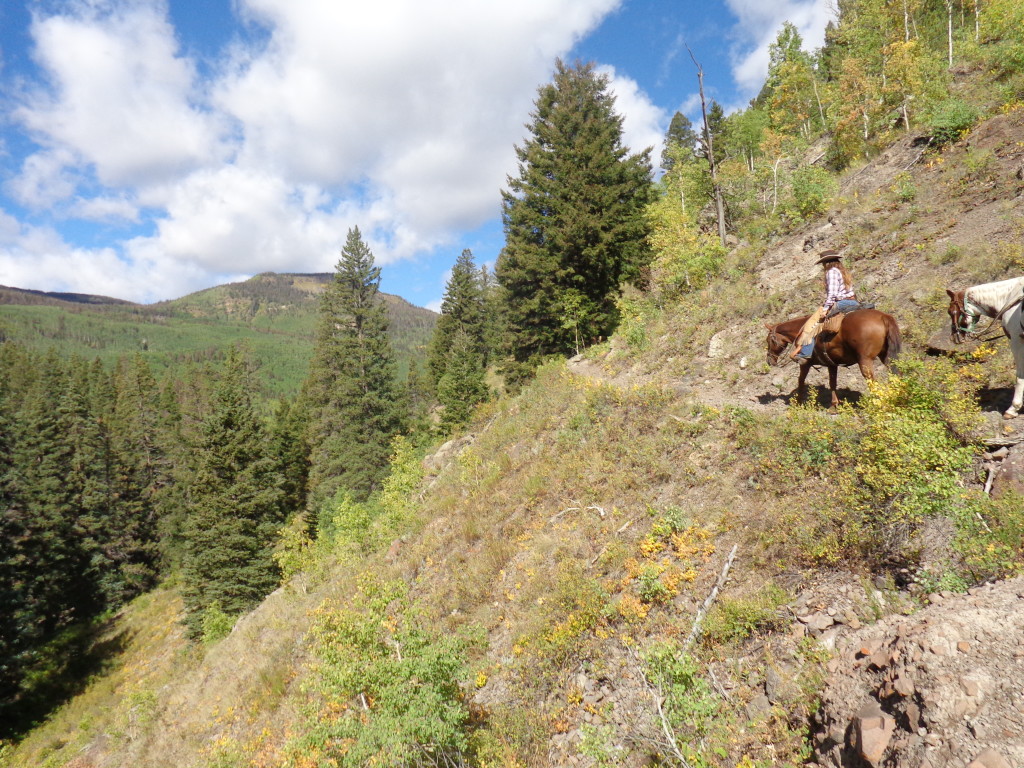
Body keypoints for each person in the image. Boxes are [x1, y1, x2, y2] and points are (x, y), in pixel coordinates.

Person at [791, 250, 859, 361]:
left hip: (841, 303)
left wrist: (825, 309)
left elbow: (832, 294)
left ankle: (805, 354)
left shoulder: (831, 272)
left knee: (812, 326)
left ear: (826, 263)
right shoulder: (843, 271)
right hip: (853, 302)